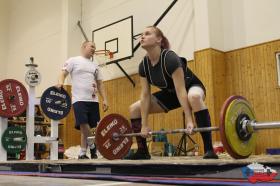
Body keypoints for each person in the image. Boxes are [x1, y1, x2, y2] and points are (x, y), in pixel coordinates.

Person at [127, 26, 218, 160]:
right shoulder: (143, 66)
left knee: (194, 97)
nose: (142, 36)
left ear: (159, 39)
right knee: (134, 109)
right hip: (171, 94)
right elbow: (145, 95)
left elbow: (181, 90)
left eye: (147, 34)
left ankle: (209, 150)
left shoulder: (170, 58)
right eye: (141, 34)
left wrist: (189, 119)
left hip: (190, 87)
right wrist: (144, 125)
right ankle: (142, 151)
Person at [56, 41, 108, 159]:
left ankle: (83, 152)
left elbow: (100, 83)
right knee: (83, 123)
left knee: (88, 127)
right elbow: (63, 74)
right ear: (84, 47)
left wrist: (105, 99)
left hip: (93, 100)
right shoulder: (73, 60)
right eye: (92, 46)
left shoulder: (95, 65)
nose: (94, 49)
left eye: (95, 47)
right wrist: (60, 83)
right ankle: (93, 146)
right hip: (79, 99)